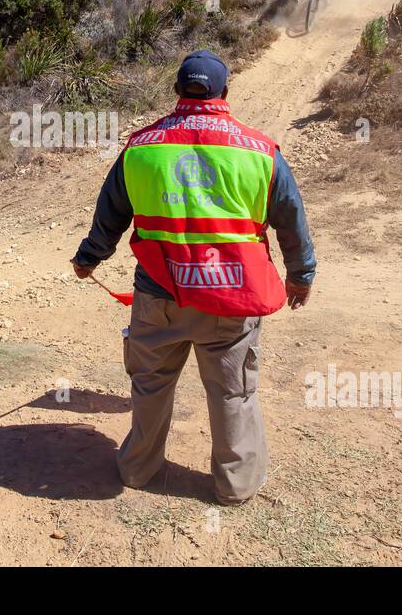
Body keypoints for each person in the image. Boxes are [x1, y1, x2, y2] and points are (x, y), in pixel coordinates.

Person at [72, 50, 317, 505]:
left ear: (177, 91)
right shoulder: (261, 152)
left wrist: (88, 259)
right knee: (232, 392)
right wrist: (300, 276)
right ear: (225, 92)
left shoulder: (140, 148)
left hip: (157, 295)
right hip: (230, 297)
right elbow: (291, 219)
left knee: (150, 385)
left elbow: (110, 216)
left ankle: (138, 470)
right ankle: (235, 485)